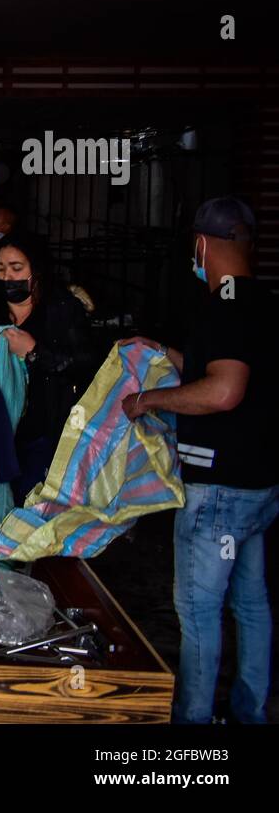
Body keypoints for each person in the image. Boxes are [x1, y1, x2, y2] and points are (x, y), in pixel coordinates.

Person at [120, 197, 277, 724]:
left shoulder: (223, 305)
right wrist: (167, 353)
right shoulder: (262, 301)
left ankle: (193, 726)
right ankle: (250, 713)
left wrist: (149, 401)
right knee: (251, 604)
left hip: (218, 491)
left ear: (201, 245)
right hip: (258, 487)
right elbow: (220, 371)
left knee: (198, 610)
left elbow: (224, 390)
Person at [0, 233, 93, 501]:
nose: (7, 277)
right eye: (1, 268)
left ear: (36, 270)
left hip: (43, 430)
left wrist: (34, 353)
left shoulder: (61, 308)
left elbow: (85, 363)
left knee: (33, 505)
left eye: (17, 268)